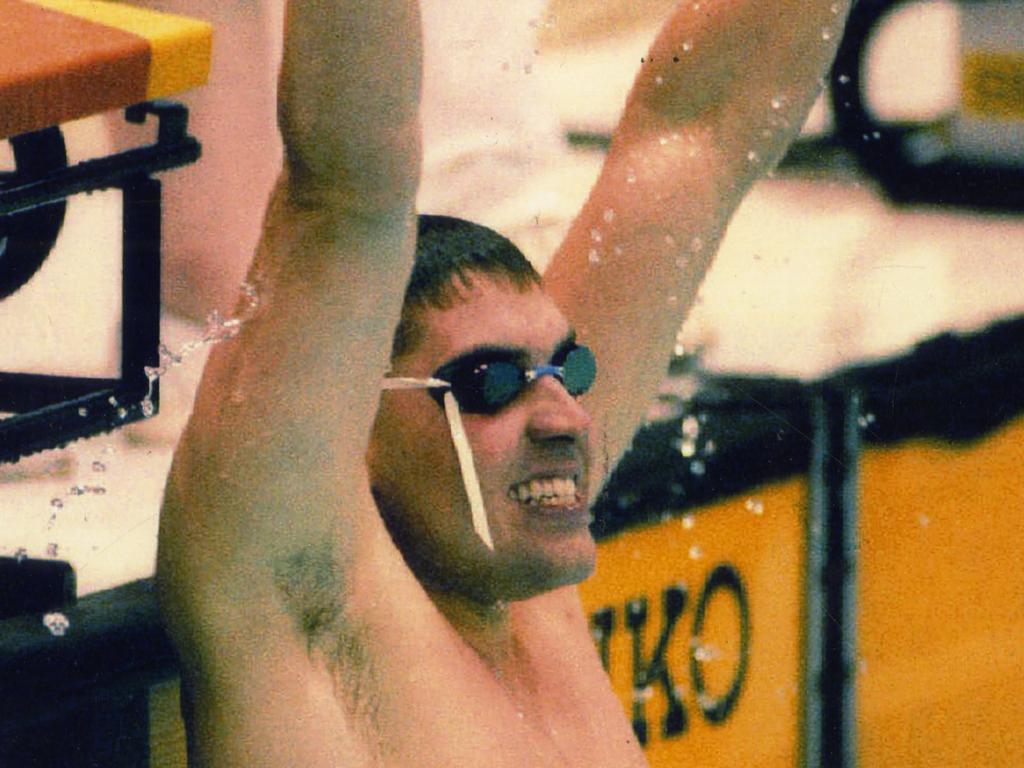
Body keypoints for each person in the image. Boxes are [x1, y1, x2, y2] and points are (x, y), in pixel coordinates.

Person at [156, 0, 849, 765]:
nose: (568, 420)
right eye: (488, 384)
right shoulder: (303, 607)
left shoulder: (525, 570)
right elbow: (345, 190)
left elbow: (703, 128)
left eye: (571, 370)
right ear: (354, 428)